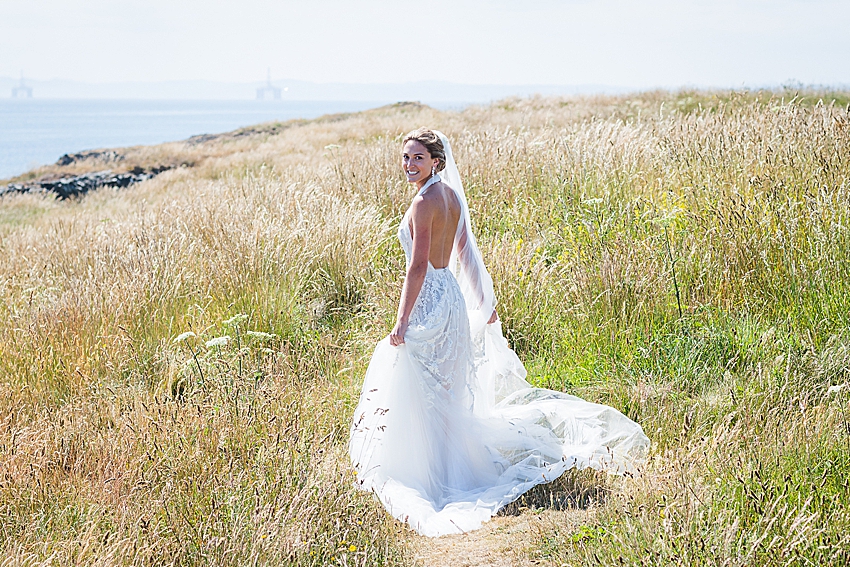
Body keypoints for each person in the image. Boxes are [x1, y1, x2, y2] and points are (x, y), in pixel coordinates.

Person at [349, 128, 649, 537]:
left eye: (417, 158)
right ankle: (448, 463)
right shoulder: (451, 197)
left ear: (436, 161)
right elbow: (465, 253)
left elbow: (417, 267)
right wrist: (483, 303)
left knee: (417, 381)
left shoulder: (424, 202)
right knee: (443, 390)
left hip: (429, 303)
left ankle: (429, 474)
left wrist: (401, 321)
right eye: (405, 158)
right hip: (451, 300)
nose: (409, 165)